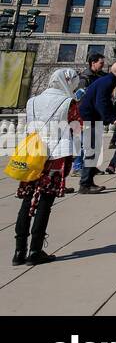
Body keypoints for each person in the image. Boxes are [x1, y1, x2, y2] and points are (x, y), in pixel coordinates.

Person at [14, 68, 80, 265]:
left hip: (33, 153)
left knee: (27, 200)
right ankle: (35, 250)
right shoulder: (69, 102)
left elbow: (28, 125)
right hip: (55, 156)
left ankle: (19, 251)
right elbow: (76, 128)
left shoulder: (32, 101)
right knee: (45, 202)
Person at [77, 60, 116, 193]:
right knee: (92, 151)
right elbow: (101, 102)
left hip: (91, 117)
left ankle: (88, 180)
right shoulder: (108, 82)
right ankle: (85, 184)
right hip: (90, 118)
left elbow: (104, 102)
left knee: (92, 151)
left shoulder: (107, 80)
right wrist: (112, 119)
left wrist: (113, 116)